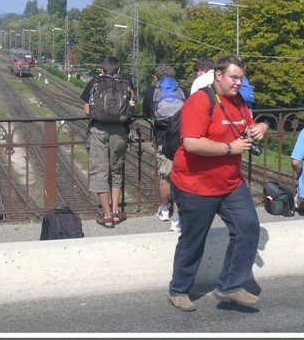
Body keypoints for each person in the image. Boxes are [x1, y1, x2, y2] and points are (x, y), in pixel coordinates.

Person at [167, 56, 269, 312]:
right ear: (219, 75)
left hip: (230, 182)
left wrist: (260, 126)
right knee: (193, 240)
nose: (238, 83)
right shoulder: (199, 101)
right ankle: (178, 290)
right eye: (234, 77)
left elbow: (245, 126)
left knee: (248, 228)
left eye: (241, 78)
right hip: (195, 184)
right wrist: (229, 148)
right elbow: (191, 143)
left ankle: (230, 286)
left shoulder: (238, 102)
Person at [80, 56, 136, 229]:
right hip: (120, 131)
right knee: (116, 170)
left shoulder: (95, 82)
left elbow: (86, 110)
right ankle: (116, 211)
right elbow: (133, 106)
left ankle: (107, 216)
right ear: (119, 69)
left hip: (98, 131)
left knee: (99, 172)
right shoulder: (127, 82)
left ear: (102, 70)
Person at [142, 64, 186, 232]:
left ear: (156, 78)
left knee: (166, 176)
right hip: (182, 137)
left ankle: (164, 210)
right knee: (180, 176)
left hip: (163, 137)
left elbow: (146, 112)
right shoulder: (182, 91)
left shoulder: (151, 91)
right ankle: (177, 218)